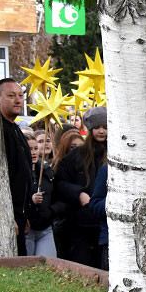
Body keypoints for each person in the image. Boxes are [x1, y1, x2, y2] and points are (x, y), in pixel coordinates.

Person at [53, 106, 107, 267]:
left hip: (106, 222)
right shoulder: (77, 154)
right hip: (81, 223)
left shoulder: (117, 154)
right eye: (97, 127)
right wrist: (78, 194)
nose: (101, 131)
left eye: (105, 127)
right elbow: (60, 182)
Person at [0, 78, 37, 254]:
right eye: (11, 96)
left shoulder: (16, 129)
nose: (18, 100)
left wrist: (24, 212)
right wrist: (7, 216)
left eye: (20, 95)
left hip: (19, 213)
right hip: (4, 215)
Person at [26, 133, 58, 257]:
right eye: (29, 149)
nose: (33, 152)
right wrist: (31, 200)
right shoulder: (19, 172)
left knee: (49, 265)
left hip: (45, 227)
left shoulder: (46, 171)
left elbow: (56, 195)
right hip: (28, 228)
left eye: (35, 148)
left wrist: (52, 211)